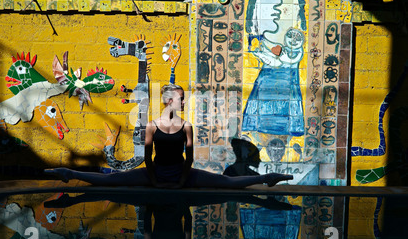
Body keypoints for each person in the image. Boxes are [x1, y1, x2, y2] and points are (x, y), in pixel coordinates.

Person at [44, 84, 293, 188]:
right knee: (113, 181)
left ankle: (268, 177)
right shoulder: (152, 125)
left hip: (182, 174)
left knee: (225, 183)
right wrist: (153, 180)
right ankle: (69, 173)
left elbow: (190, 158)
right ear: (170, 101)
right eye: (181, 98)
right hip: (155, 173)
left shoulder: (187, 126)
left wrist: (183, 180)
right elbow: (149, 158)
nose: (184, 101)